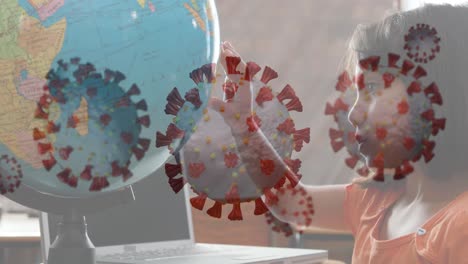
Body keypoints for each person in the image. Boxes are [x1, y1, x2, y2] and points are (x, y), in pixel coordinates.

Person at [222, 4, 468, 264]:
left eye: (373, 87)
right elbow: (288, 201)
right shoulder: (377, 200)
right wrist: (243, 126)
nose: (353, 114)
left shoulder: (461, 226)